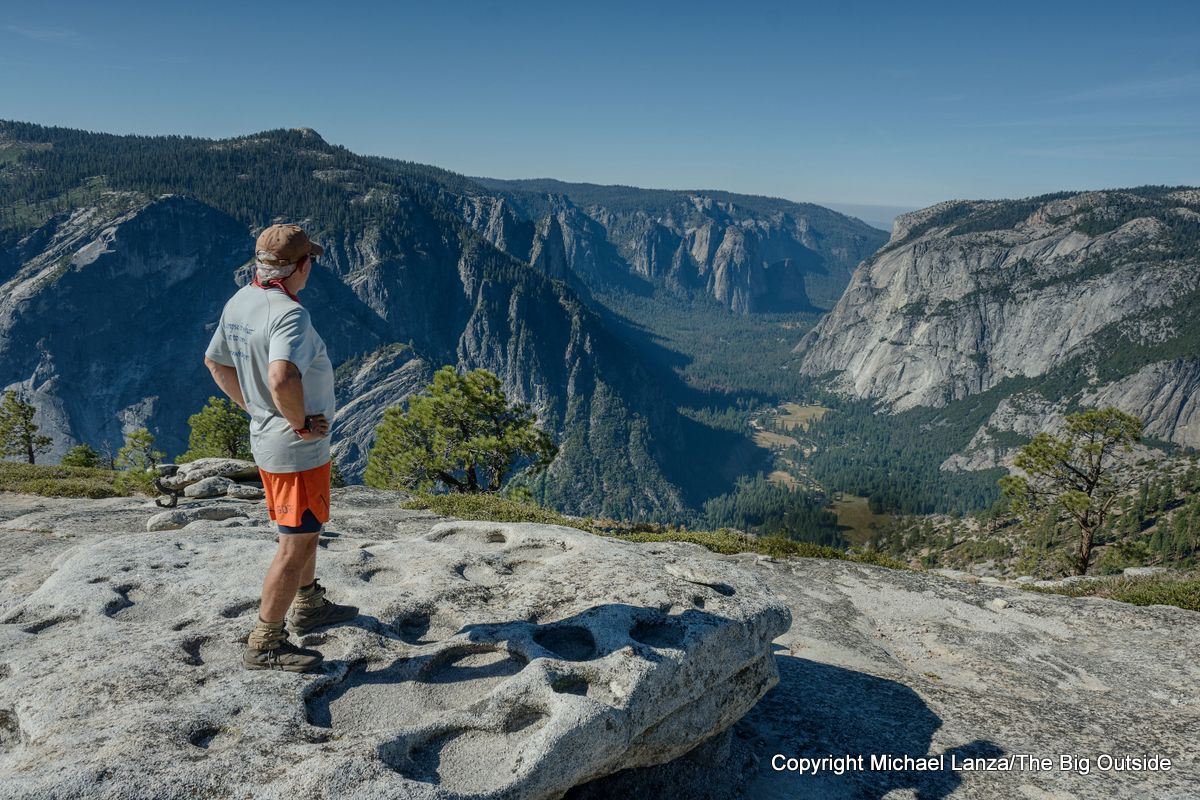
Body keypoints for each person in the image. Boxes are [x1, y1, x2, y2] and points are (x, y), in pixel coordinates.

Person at [203, 223, 357, 672]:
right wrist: (300, 422)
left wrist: (256, 410)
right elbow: (282, 376)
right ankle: (266, 640)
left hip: (269, 442)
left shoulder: (241, 300)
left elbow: (215, 362)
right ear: (303, 265)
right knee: (295, 542)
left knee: (304, 528)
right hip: (296, 451)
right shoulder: (289, 314)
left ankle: (308, 604)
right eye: (311, 260)